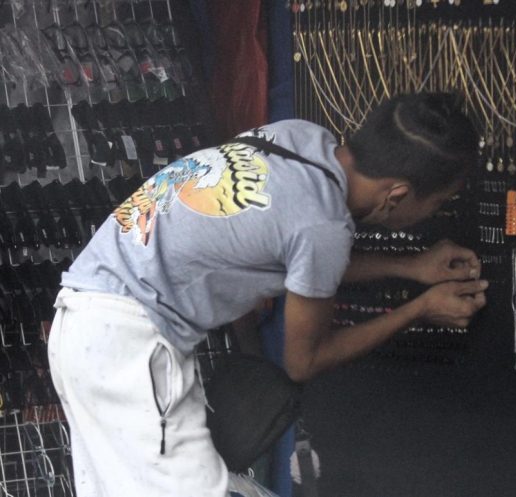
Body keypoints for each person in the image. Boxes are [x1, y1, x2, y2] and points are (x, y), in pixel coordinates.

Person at [47, 92, 488, 497]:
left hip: (87, 320)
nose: (435, 212)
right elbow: (304, 361)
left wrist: (410, 267)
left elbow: (301, 258)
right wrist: (418, 309)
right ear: (398, 194)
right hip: (128, 347)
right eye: (437, 202)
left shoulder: (298, 137)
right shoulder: (323, 227)